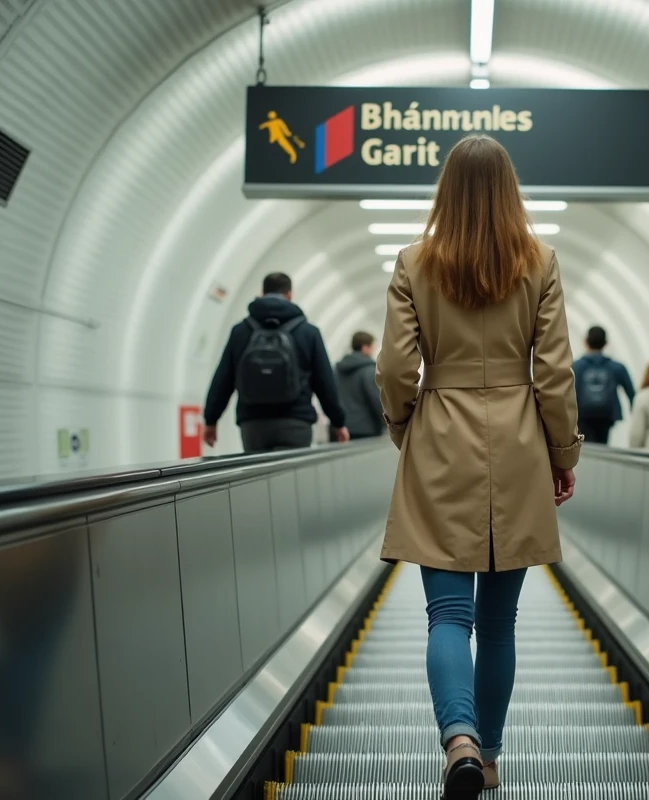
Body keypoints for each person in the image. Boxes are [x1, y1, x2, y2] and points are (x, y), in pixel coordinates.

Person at [375, 134, 582, 800]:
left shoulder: (413, 263)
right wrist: (562, 453)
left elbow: (394, 368)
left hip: (440, 435)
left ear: (446, 191)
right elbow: (553, 372)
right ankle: (488, 757)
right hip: (520, 444)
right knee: (498, 623)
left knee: (446, 616)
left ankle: (456, 739)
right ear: (510, 190)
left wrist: (407, 425)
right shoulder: (541, 262)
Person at [202, 272, 348, 452]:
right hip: (295, 422)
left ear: (262, 292)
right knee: (294, 479)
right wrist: (338, 422)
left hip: (253, 423)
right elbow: (325, 382)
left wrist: (211, 420)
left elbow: (223, 379)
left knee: (258, 478)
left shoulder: (240, 331)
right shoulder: (308, 332)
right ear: (289, 295)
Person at [571, 326, 636, 444]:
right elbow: (631, 394)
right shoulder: (617, 367)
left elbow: (566, 393)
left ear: (585, 342)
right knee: (602, 444)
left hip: (583, 415)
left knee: (586, 446)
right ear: (606, 343)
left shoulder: (575, 367)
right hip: (607, 415)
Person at [335, 331, 386, 440]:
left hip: (341, 428)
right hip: (366, 429)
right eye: (372, 347)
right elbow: (376, 399)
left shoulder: (337, 370)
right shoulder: (368, 370)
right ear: (365, 348)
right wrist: (387, 422)